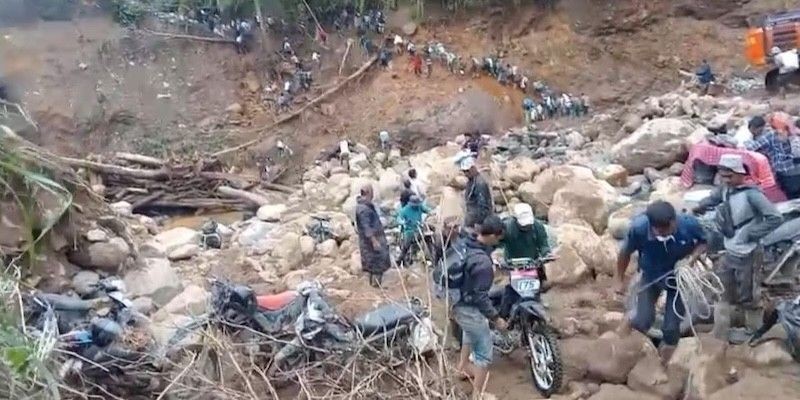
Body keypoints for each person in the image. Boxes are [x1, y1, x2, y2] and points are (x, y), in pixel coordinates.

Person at [693, 154, 783, 337]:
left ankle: (753, 333)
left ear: (741, 174)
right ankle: (720, 333)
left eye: (730, 176)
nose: (726, 180)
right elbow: (712, 199)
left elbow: (775, 217)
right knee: (723, 292)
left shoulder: (752, 195)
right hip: (729, 250)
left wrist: (752, 233)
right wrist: (698, 208)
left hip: (748, 253)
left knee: (749, 296)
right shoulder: (725, 190)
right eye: (723, 176)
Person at [616, 201, 707, 364]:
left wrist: (691, 259)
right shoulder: (639, 229)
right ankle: (625, 335)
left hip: (678, 280)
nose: (665, 233)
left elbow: (703, 242)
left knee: (671, 329)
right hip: (651, 275)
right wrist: (619, 279)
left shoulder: (689, 224)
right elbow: (625, 253)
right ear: (652, 226)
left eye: (669, 229)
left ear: (674, 221)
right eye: (660, 231)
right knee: (643, 320)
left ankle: (664, 362)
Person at [453, 215, 507, 399]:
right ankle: (478, 394)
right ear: (492, 236)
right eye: (498, 238)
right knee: (484, 351)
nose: (498, 241)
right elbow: (481, 297)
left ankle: (462, 368)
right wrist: (496, 318)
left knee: (469, 333)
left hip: (456, 300)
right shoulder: (483, 263)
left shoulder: (467, 241)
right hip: (468, 306)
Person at [496, 203, 550, 317]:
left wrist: (547, 254)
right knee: (511, 289)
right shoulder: (507, 228)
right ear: (515, 219)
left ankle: (536, 304)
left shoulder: (538, 227)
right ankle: (504, 314)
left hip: (533, 262)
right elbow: (498, 244)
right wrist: (498, 257)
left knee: (538, 285)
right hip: (513, 263)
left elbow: (543, 244)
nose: (526, 227)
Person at [745, 114, 800, 199]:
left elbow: (751, 148)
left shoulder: (771, 135)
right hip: (797, 169)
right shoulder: (795, 133)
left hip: (784, 173)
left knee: (793, 198)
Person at [355, 185, 392, 287]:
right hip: (370, 243)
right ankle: (376, 286)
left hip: (373, 240)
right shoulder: (363, 209)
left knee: (375, 265)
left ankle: (374, 286)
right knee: (377, 264)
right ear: (368, 193)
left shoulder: (365, 206)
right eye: (372, 192)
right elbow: (366, 227)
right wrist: (374, 241)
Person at [458, 155, 493, 230]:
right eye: (464, 171)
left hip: (478, 222)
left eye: (467, 171)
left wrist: (478, 224)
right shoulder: (471, 181)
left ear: (473, 168)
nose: (466, 174)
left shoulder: (480, 183)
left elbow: (483, 207)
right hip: (471, 219)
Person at [396, 195, 432, 267]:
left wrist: (431, 213)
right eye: (414, 205)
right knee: (406, 246)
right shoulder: (405, 210)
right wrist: (404, 222)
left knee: (426, 241)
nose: (416, 206)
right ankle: (399, 260)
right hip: (409, 230)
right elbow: (398, 219)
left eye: (417, 205)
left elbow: (428, 210)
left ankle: (427, 258)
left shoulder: (420, 207)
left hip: (419, 229)